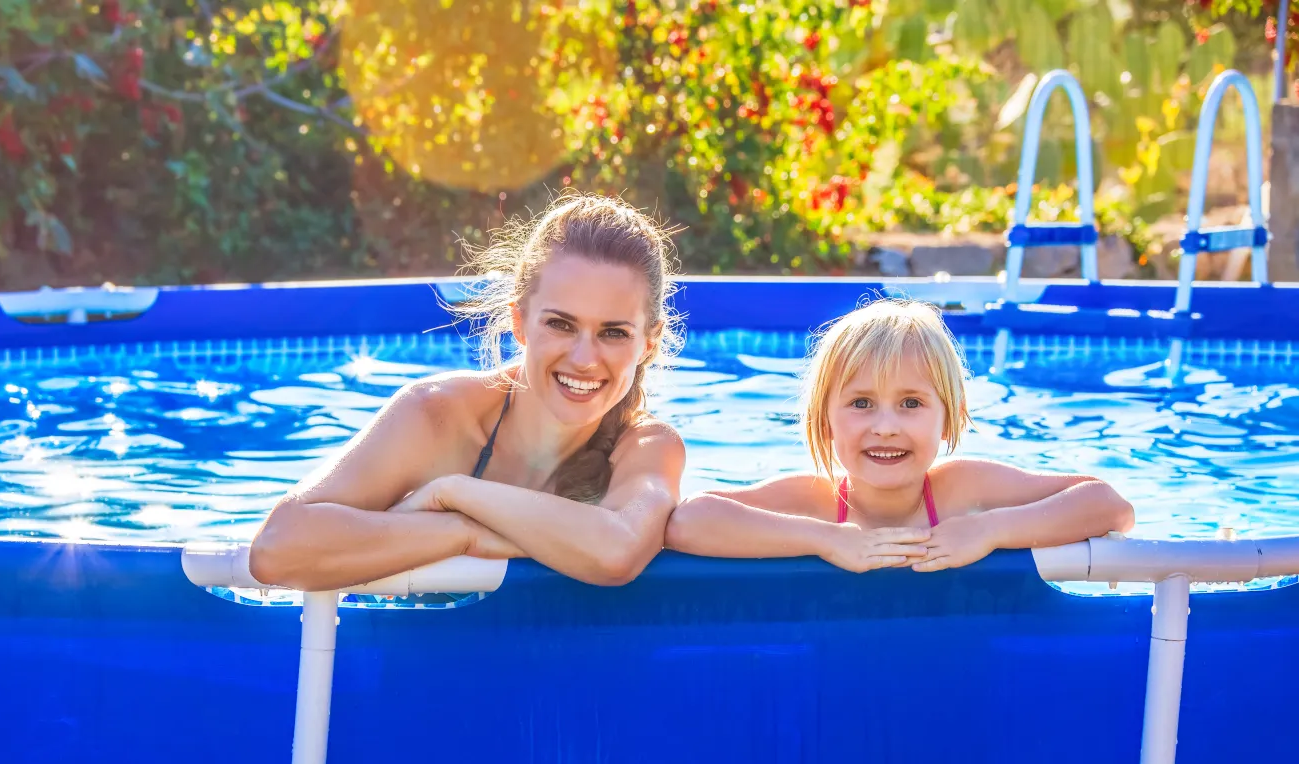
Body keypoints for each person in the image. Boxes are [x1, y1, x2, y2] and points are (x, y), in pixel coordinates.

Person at [249, 194, 686, 590]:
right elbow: (276, 550)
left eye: (613, 332)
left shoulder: (646, 447)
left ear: (647, 343)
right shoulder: (436, 415)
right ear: (519, 322)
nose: (585, 359)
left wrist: (456, 494)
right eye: (560, 324)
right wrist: (463, 532)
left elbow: (617, 551)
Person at [664, 298, 1134, 572]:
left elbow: (1108, 505)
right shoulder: (817, 503)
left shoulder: (965, 493)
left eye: (911, 404)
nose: (885, 426)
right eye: (861, 403)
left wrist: (990, 529)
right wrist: (827, 539)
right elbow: (689, 520)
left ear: (948, 418)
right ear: (824, 420)